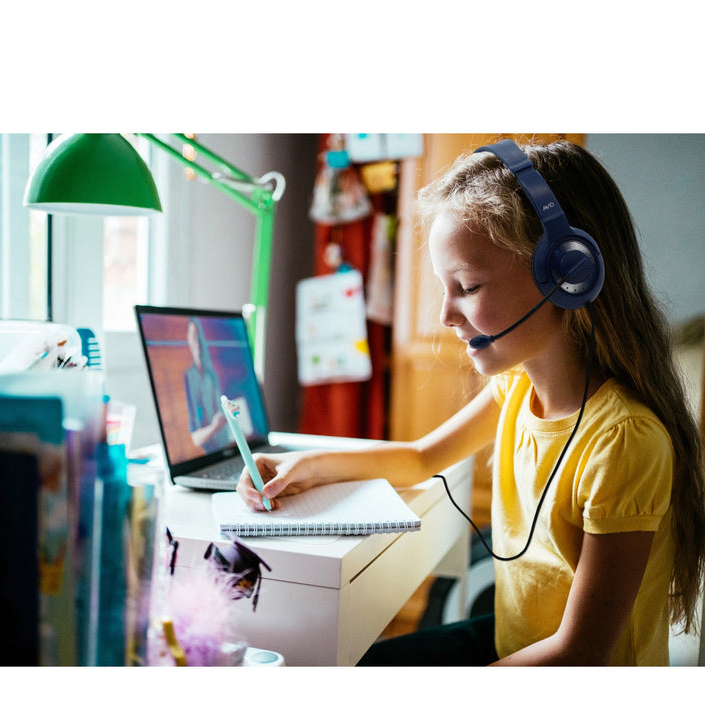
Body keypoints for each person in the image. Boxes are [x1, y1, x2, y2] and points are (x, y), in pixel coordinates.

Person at [237, 139, 705, 666]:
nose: (445, 316)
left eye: (467, 285)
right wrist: (303, 466)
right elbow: (420, 458)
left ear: (569, 274)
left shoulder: (623, 440)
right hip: (516, 642)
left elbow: (582, 652)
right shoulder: (517, 387)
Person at [184, 318, 231, 453]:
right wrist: (215, 427)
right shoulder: (190, 376)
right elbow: (196, 439)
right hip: (211, 453)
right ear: (188, 338)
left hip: (227, 446)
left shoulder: (212, 375)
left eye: (199, 337)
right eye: (193, 336)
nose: (197, 343)